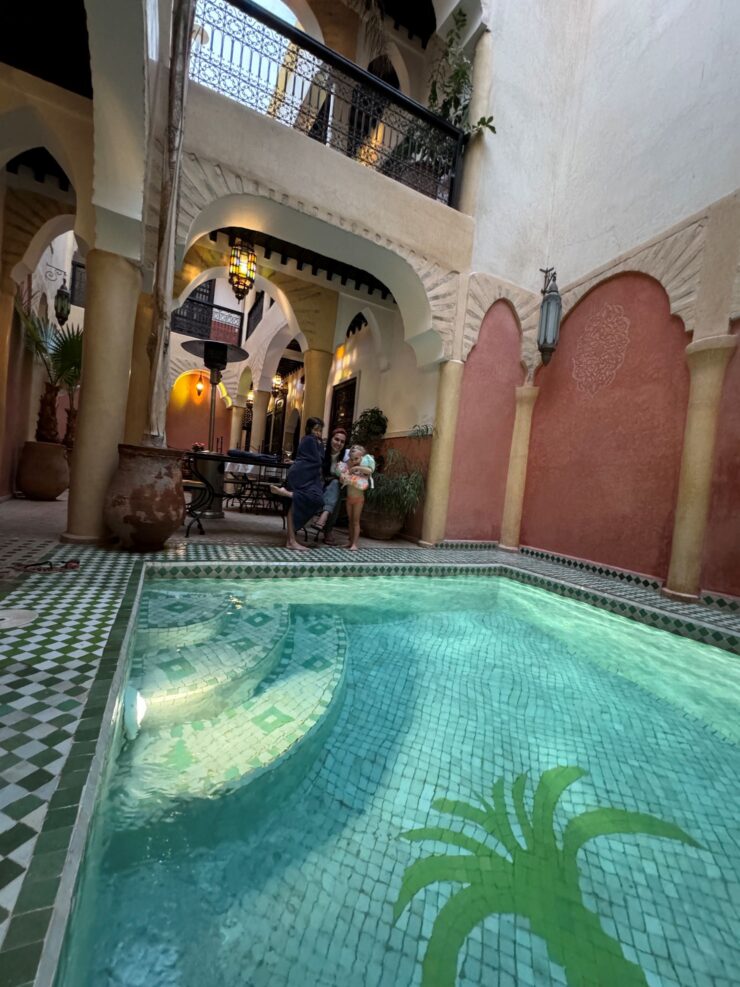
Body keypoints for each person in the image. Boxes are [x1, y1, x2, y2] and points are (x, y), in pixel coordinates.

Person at [270, 417, 325, 550]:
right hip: (302, 475)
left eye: (320, 430)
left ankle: (291, 540)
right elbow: (317, 461)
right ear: (309, 429)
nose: (318, 433)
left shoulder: (313, 441)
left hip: (307, 475)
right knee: (302, 502)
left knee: (307, 500)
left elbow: (306, 458)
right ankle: (291, 541)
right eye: (315, 429)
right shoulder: (309, 440)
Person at [336, 444, 375, 551]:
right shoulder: (348, 467)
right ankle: (350, 541)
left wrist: (356, 468)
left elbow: (370, 471)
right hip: (349, 499)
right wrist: (343, 475)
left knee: (356, 521)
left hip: (358, 500)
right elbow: (342, 478)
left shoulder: (363, 469)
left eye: (357, 458)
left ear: (362, 457)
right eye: (352, 459)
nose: (354, 461)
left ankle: (355, 544)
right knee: (350, 521)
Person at [315, 426, 349, 545]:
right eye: (336, 439)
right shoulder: (322, 452)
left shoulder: (346, 457)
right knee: (336, 494)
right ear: (331, 439)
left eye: (342, 441)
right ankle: (328, 530)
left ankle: (323, 517)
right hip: (320, 486)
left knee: (336, 486)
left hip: (335, 488)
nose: (339, 443)